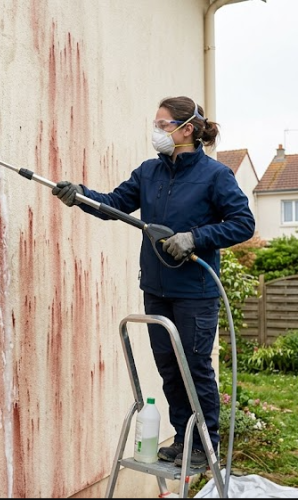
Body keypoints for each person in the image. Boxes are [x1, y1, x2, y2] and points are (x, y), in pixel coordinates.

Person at [51, 96, 255, 468]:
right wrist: (77, 195)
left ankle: (203, 447)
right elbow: (113, 203)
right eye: (156, 125)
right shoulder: (149, 172)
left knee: (195, 369)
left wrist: (195, 237)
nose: (156, 132)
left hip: (196, 292)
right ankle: (183, 438)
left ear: (186, 130)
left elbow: (243, 223)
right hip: (157, 291)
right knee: (168, 367)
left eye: (162, 125)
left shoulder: (215, 176)